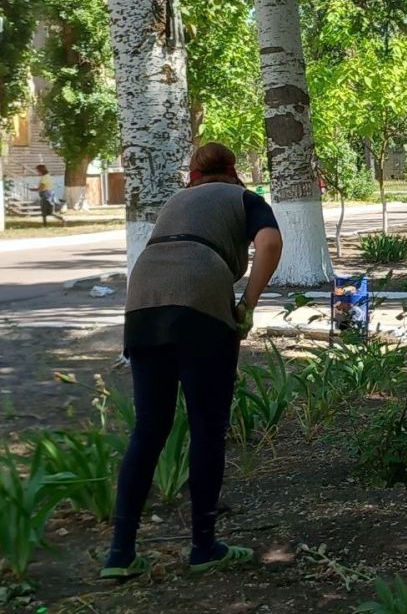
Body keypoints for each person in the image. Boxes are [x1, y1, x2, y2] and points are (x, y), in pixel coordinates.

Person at [101, 142, 283, 579]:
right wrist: (248, 303)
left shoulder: (176, 201)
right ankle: (204, 547)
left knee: (149, 429)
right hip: (201, 300)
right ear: (233, 171)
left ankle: (120, 555)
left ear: (193, 174)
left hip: (143, 299)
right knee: (207, 428)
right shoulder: (244, 197)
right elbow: (271, 242)